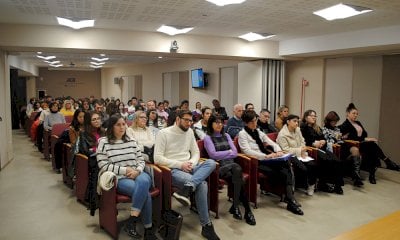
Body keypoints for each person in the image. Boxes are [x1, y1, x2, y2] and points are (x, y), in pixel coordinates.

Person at [154, 110, 220, 240]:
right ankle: (206, 226)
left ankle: (188, 187)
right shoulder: (163, 133)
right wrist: (180, 165)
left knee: (211, 162)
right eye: (186, 120)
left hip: (191, 166)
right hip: (173, 170)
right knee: (202, 184)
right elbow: (157, 158)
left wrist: (190, 163)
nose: (189, 123)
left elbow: (196, 152)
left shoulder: (189, 132)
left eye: (191, 121)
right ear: (177, 119)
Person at [96, 114, 158, 240]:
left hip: (137, 174)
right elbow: (103, 165)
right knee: (145, 193)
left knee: (145, 180)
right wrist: (125, 170)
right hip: (120, 178)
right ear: (111, 127)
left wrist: (137, 170)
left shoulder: (131, 140)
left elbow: (141, 160)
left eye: (124, 124)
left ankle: (132, 220)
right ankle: (148, 230)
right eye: (118, 125)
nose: (122, 127)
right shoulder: (104, 142)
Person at [238, 110, 303, 215]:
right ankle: (290, 199)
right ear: (246, 122)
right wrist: (266, 156)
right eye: (252, 122)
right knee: (284, 171)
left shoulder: (258, 131)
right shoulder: (242, 134)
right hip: (256, 161)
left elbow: (271, 142)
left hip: (267, 158)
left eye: (255, 120)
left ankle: (290, 199)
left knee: (286, 166)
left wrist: (278, 151)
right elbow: (247, 151)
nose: (255, 123)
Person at [204, 114, 256, 225]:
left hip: (232, 170)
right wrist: (228, 152)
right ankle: (240, 208)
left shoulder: (226, 135)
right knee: (237, 168)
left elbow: (235, 153)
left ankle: (244, 210)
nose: (219, 125)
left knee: (237, 176)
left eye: (221, 122)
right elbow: (213, 155)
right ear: (211, 124)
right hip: (219, 169)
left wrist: (224, 154)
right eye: (216, 122)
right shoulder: (208, 138)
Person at [339, 103, 399, 184]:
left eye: (357, 114)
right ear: (348, 113)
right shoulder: (345, 125)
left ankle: (372, 175)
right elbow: (350, 138)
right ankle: (387, 161)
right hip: (353, 146)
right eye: (353, 113)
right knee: (372, 144)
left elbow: (364, 134)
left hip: (362, 144)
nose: (356, 115)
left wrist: (366, 139)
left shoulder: (358, 123)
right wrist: (365, 139)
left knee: (373, 150)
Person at [301, 110, 344, 194]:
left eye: (315, 116)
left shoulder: (317, 127)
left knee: (337, 161)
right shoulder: (303, 128)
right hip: (312, 150)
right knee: (327, 160)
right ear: (306, 117)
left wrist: (323, 141)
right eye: (312, 116)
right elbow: (304, 141)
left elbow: (323, 137)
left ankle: (337, 185)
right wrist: (314, 143)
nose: (314, 117)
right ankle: (323, 184)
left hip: (321, 148)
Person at [276, 114, 318, 195]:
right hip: (290, 156)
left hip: (300, 154)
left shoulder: (298, 130)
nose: (296, 123)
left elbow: (303, 141)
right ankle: (298, 185)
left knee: (313, 165)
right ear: (288, 122)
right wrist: (299, 150)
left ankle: (311, 186)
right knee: (303, 168)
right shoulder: (282, 134)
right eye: (294, 121)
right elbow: (285, 150)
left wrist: (303, 150)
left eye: (297, 122)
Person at [322, 111, 363, 187]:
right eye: (334, 121)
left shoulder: (337, 128)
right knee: (351, 155)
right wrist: (336, 138)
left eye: (336, 121)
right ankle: (354, 176)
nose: (335, 123)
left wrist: (343, 137)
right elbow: (327, 141)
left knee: (355, 150)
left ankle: (356, 175)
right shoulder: (324, 129)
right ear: (329, 120)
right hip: (334, 147)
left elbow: (339, 138)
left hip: (342, 144)